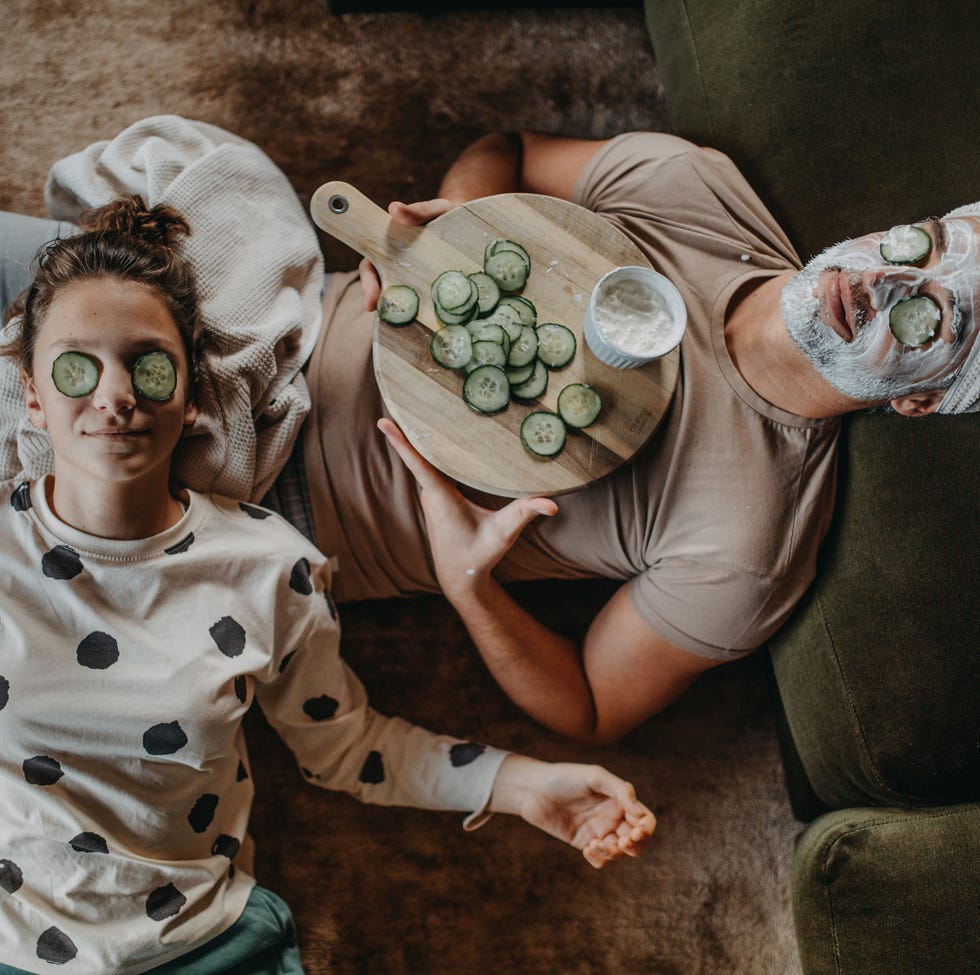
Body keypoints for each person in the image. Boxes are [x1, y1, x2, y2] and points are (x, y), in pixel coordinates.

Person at [2, 117, 978, 748]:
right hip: (245, 311)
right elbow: (504, 149)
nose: (894, 283)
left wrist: (469, 583)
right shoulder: (697, 190)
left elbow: (588, 706)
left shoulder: (753, 545)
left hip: (260, 505)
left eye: (937, 319)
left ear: (919, 401)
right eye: (927, 245)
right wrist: (449, 224)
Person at [0, 196, 656, 974]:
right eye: (77, 367)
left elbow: (347, 745)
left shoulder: (270, 566)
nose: (115, 396)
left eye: (148, 365)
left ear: (189, 393)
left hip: (204, 947)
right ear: (34, 394)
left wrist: (521, 785)